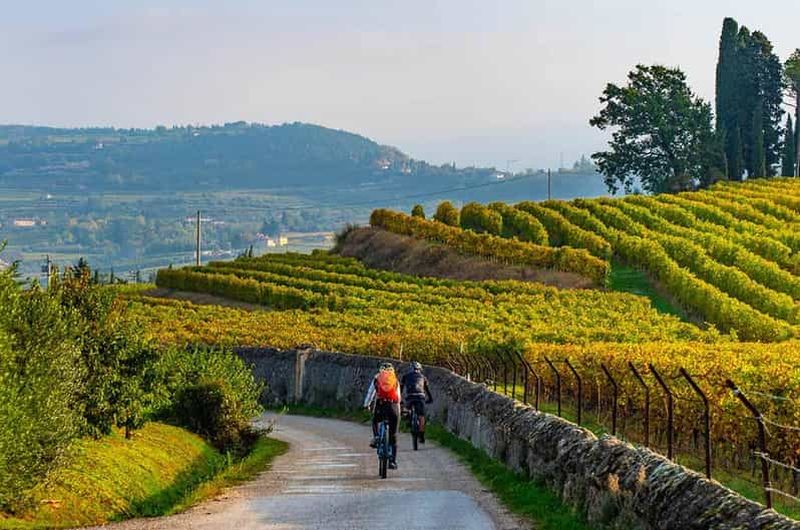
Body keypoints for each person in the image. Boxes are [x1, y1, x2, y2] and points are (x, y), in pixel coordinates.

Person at [363, 361, 401, 469]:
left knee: (375, 421)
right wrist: (399, 409)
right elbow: (398, 397)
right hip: (393, 407)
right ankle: (392, 461)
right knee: (393, 436)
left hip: (381, 405)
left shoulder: (377, 378)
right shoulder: (395, 380)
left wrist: (367, 405)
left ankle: (376, 437)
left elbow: (371, 393)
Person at [400, 361, 433, 443]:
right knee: (421, 416)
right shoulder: (423, 377)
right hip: (420, 396)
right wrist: (430, 399)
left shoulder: (405, 376)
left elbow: (401, 388)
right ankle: (421, 435)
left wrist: (399, 398)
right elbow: (427, 390)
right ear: (419, 369)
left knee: (406, 409)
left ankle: (408, 419)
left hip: (410, 396)